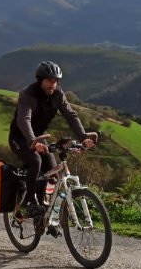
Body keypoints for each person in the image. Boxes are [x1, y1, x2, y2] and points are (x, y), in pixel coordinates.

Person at [7, 61, 95, 214]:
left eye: (55, 81)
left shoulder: (58, 95)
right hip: (20, 137)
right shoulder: (28, 94)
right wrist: (32, 141)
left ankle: (43, 211)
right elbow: (24, 120)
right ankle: (29, 201)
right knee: (36, 160)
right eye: (48, 80)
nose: (52, 84)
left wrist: (82, 137)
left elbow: (71, 115)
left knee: (53, 169)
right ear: (40, 80)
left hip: (39, 138)